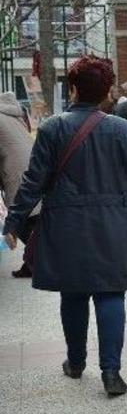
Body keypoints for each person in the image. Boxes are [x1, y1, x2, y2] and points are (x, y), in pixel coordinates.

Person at [2, 55, 127, 395]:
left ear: (71, 89)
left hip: (66, 223)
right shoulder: (123, 129)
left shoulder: (52, 128)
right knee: (110, 293)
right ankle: (112, 373)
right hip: (115, 223)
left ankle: (75, 362)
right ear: (107, 91)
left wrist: (14, 221)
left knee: (73, 293)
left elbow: (33, 182)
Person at [0, 92, 38, 278]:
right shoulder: (14, 116)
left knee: (22, 219)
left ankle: (34, 262)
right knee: (30, 218)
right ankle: (31, 261)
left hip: (15, 172)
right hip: (30, 168)